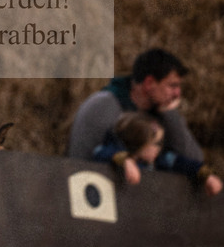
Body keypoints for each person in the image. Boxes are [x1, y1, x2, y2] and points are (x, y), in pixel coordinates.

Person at [67, 48, 204, 163]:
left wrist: (171, 115)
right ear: (149, 83)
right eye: (172, 86)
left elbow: (194, 160)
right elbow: (80, 160)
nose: (177, 93)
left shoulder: (163, 115)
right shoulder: (103, 107)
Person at [93, 111, 223, 195]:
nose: (159, 148)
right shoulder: (114, 154)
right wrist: (126, 160)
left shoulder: (159, 160)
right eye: (156, 144)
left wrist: (205, 174)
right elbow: (100, 152)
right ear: (140, 143)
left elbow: (181, 162)